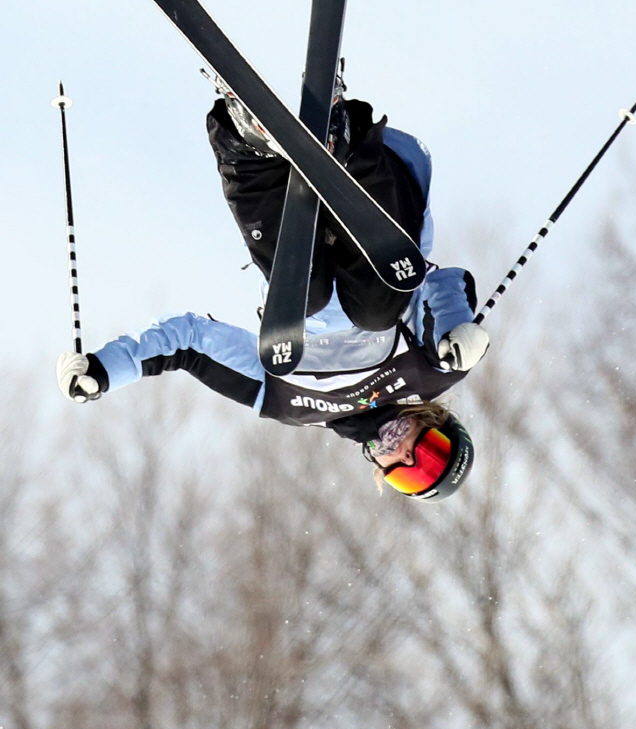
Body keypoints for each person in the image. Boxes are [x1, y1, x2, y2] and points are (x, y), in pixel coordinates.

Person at [56, 84, 490, 502]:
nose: (408, 456)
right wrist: (457, 330)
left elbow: (190, 345)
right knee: (374, 312)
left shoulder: (291, 403)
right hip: (385, 202)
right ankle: (346, 146)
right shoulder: (433, 371)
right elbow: (441, 284)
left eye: (410, 477)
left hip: (298, 242)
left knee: (305, 302)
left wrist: (105, 370)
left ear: (382, 475)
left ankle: (247, 146)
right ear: (440, 424)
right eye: (431, 456)